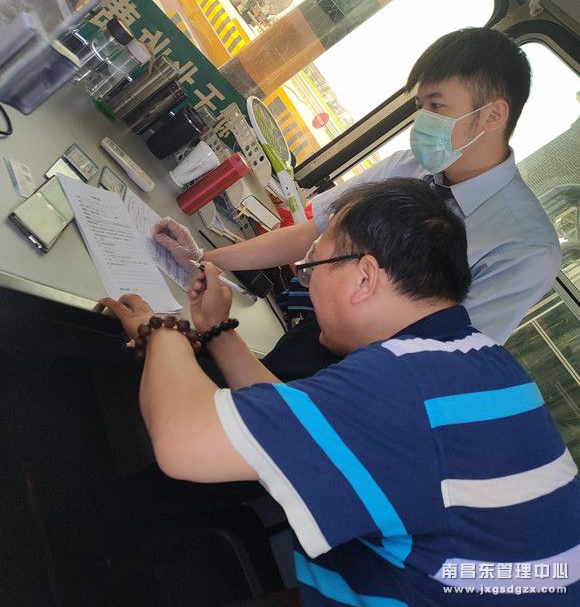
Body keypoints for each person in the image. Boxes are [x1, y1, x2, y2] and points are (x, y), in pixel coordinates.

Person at [103, 179, 580, 605]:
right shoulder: (478, 363)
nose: (308, 285)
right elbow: (300, 428)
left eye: (313, 267)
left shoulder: (401, 385)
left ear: (365, 277)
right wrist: (215, 330)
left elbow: (183, 441)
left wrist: (161, 329)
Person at [154, 27, 561, 364]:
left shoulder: (525, 248)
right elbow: (314, 230)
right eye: (420, 106)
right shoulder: (406, 167)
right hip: (315, 334)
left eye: (437, 106)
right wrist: (205, 259)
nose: (423, 121)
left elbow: (448, 358)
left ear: (492, 115)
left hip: (373, 377)